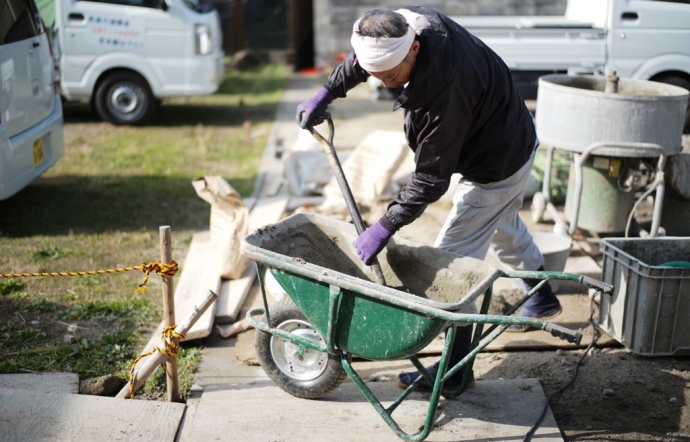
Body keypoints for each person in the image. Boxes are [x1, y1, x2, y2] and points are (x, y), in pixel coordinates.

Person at [295, 7, 561, 394]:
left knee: (452, 265)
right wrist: (329, 90)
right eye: (377, 74)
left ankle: (455, 371)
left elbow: (430, 180)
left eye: (391, 74)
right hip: (505, 134)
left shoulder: (444, 89)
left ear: (414, 50)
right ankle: (540, 299)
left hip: (497, 161)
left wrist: (383, 227)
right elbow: (363, 59)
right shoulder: (400, 27)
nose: (385, 82)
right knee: (502, 224)